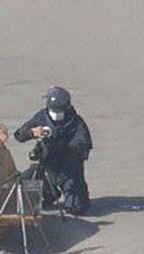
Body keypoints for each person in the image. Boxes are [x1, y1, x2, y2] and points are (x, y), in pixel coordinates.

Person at [14, 86, 93, 215]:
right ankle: (50, 193)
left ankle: (79, 195)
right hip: (47, 166)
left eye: (59, 111)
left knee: (76, 208)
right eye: (53, 110)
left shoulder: (76, 123)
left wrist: (62, 144)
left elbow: (83, 147)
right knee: (25, 179)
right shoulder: (42, 117)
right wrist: (32, 133)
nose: (56, 114)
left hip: (69, 171)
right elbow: (19, 135)